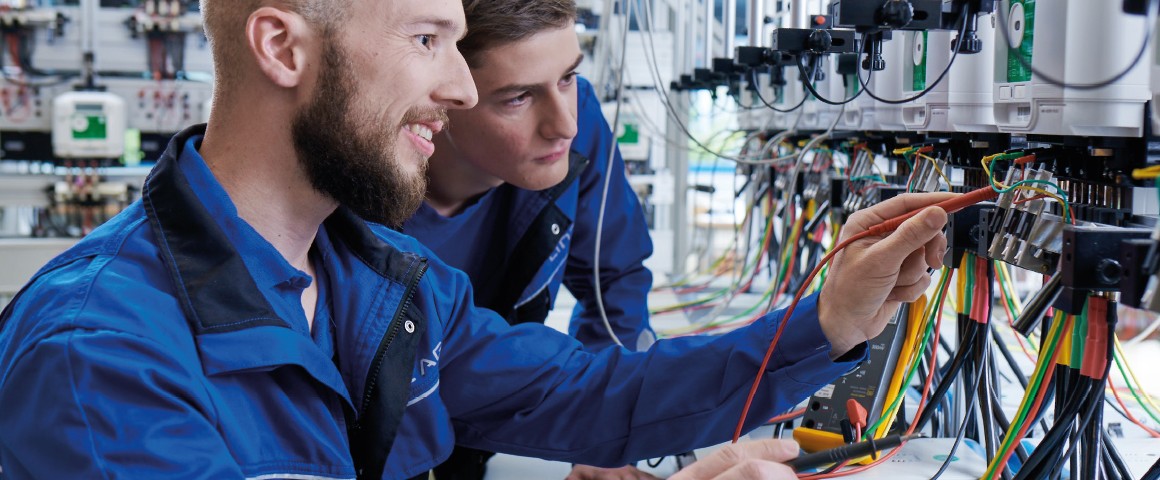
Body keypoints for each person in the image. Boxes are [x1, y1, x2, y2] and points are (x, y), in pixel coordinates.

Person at [0, 1, 952, 480]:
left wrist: (830, 319)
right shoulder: (107, 358)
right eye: (426, 41)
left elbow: (598, 391)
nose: (458, 90)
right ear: (283, 49)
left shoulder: (386, 287)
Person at [401, 1, 658, 477]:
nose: (566, 125)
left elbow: (614, 280)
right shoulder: (366, 192)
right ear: (442, 98)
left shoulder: (575, 125)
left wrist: (599, 437)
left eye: (567, 77)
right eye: (518, 98)